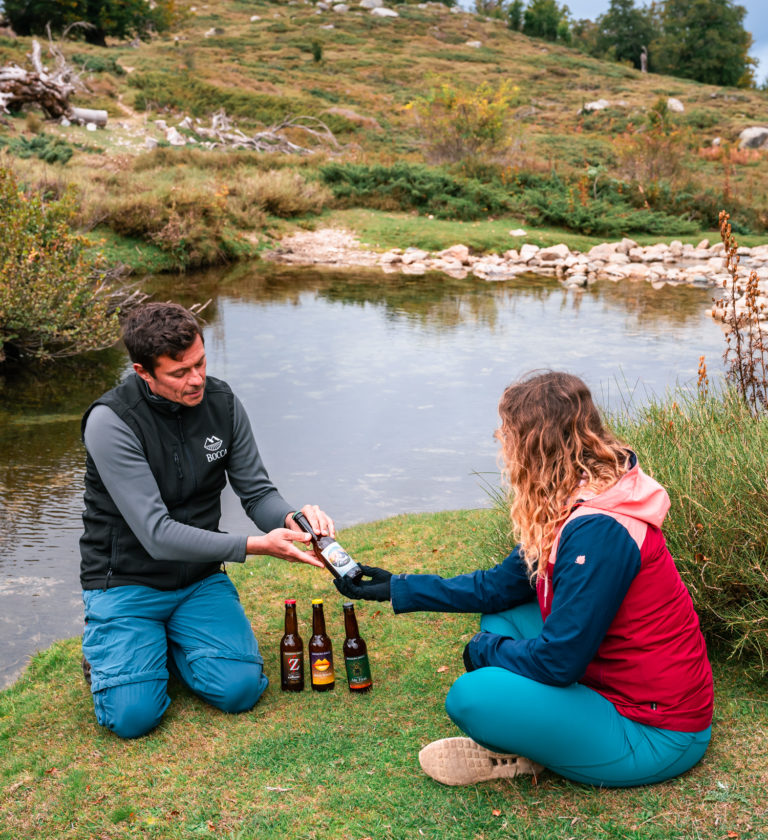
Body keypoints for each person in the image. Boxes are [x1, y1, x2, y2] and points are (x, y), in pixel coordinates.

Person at [336, 370, 714, 788]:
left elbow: (558, 662)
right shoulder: (580, 494)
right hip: (609, 680)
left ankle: (534, 753)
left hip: (655, 731)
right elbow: (499, 586)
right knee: (506, 612)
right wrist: (398, 587)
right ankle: (546, 735)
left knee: (471, 696)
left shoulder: (599, 531)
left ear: (538, 444)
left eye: (508, 432)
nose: (502, 440)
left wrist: (487, 651)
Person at [80, 301, 333, 739]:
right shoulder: (111, 422)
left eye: (200, 363)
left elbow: (256, 492)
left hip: (198, 580)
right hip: (125, 583)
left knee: (240, 691)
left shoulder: (221, 401)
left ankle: (163, 647)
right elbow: (157, 535)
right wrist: (253, 547)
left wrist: (294, 519)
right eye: (179, 373)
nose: (196, 379)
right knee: (133, 718)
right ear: (143, 372)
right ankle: (122, 654)